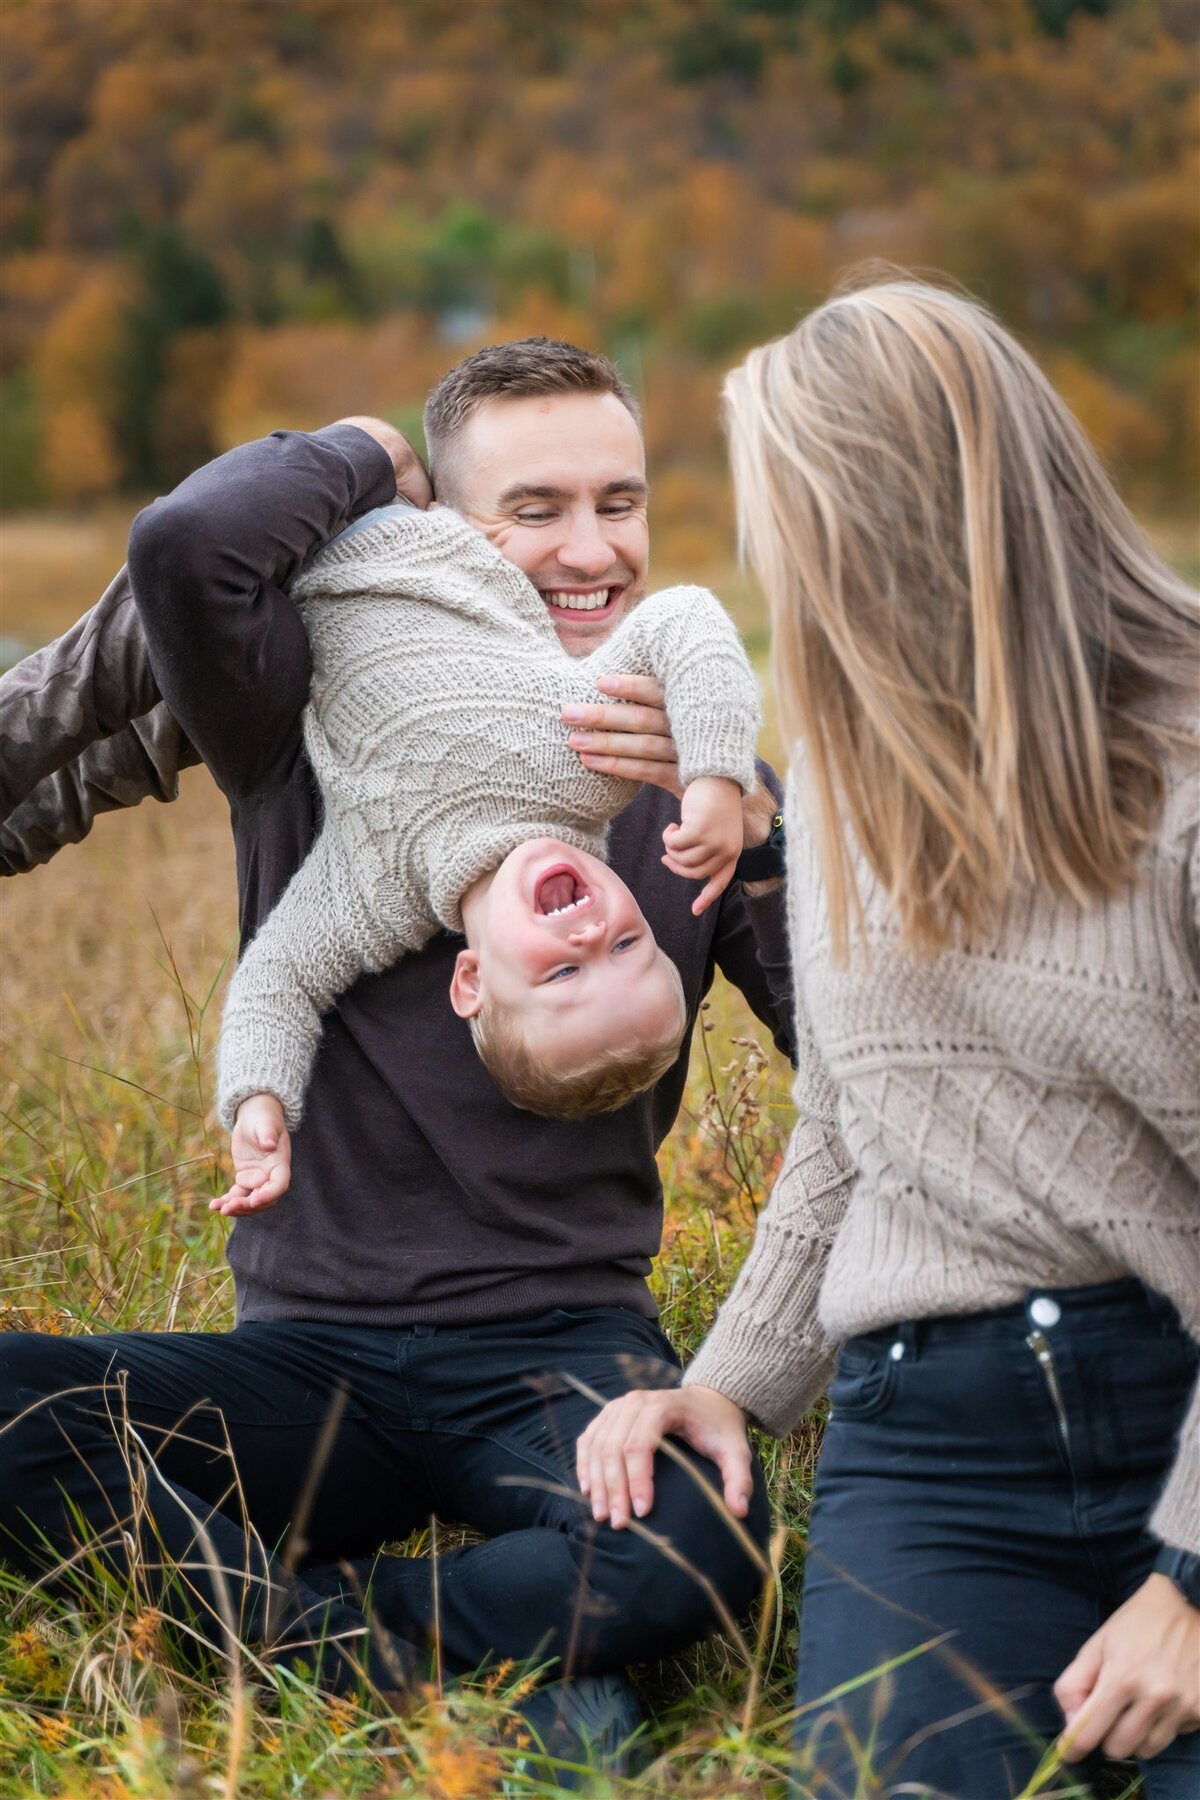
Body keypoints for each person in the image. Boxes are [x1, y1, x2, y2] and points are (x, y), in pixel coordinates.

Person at [0, 341, 783, 1761]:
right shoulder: (304, 726)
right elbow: (190, 546)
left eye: (621, 499)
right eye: (534, 508)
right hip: (310, 1362)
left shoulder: (699, 786)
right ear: (438, 527)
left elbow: (866, 1075)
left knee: (699, 1533)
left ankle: (301, 1634)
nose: (590, 548)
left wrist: (747, 813)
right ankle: (504, 1659)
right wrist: (364, 443)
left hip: (564, 1355)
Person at [575, 278, 1200, 1797]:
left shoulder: (1183, 775)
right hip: (932, 1441)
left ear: (892, 524)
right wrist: (729, 1382)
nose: (772, 568)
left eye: (787, 518)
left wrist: (1188, 1584)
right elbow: (858, 1121)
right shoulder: (856, 772)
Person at [213, 495, 760, 1190]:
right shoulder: (591, 765)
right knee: (78, 709)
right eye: (626, 946)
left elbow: (279, 977)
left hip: (277, 581)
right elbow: (684, 618)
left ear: (471, 980)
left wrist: (257, 1093)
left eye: (564, 974)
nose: (590, 937)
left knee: (119, 694)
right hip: (396, 516)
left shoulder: (376, 893)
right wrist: (715, 776)